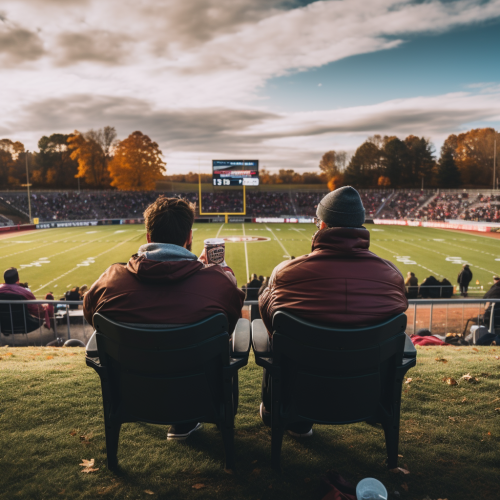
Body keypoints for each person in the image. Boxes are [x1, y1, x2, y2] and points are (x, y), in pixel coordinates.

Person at [84, 196, 245, 440]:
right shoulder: (217, 284)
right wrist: (216, 276)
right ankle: (186, 421)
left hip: (132, 391)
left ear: (148, 237)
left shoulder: (110, 281)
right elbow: (230, 324)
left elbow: (91, 315)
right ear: (189, 237)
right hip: (198, 392)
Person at [258, 186, 408, 438]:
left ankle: (296, 423)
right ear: (360, 225)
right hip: (369, 396)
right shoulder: (392, 277)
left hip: (301, 394)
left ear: (323, 225)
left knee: (277, 342)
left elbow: (270, 322)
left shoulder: (286, 274)